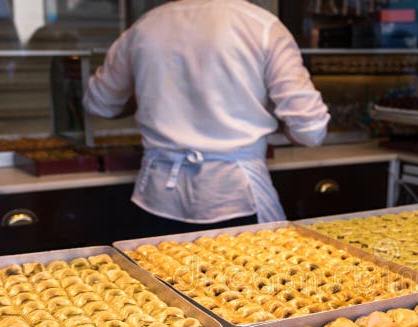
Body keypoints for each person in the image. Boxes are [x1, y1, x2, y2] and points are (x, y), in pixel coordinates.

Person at [83, 0, 330, 228]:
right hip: (235, 195)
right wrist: (271, 114)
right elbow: (310, 131)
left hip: (159, 199)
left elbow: (100, 104)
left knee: (156, 276)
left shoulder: (145, 27)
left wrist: (150, 95)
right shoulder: (262, 26)